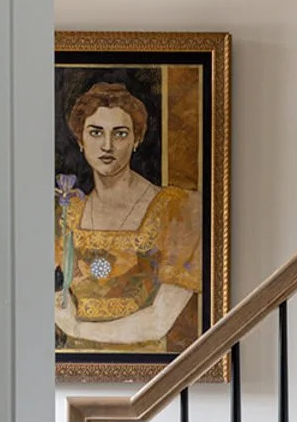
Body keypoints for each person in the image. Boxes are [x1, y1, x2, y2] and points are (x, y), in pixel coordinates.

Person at [55, 80, 202, 350]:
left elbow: (158, 322)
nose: (107, 145)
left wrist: (76, 328)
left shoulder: (178, 210)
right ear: (80, 139)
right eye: (96, 132)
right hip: (72, 370)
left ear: (137, 139)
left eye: (120, 134)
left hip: (149, 369)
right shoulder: (64, 213)